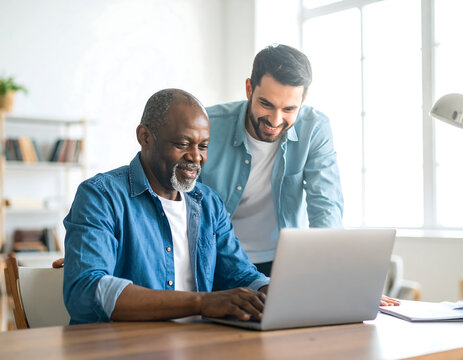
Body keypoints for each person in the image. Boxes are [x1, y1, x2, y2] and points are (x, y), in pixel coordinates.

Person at [62, 89, 269, 324]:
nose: (196, 157)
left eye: (203, 146)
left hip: (199, 344)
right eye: (183, 143)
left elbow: (240, 275)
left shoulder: (209, 203)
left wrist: (274, 293)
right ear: (145, 137)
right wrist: (201, 303)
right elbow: (86, 290)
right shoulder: (100, 196)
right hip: (123, 347)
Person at [200, 44, 343, 276]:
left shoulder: (315, 128)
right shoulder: (208, 125)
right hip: (216, 259)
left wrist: (338, 273)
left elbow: (326, 205)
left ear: (303, 100)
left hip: (283, 261)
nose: (275, 120)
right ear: (249, 89)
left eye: (288, 108)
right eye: (266, 104)